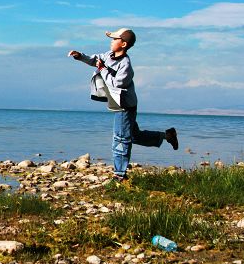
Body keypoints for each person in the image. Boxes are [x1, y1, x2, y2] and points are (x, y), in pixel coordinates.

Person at [68, 28, 178, 181]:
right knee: (134, 135)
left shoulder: (125, 65)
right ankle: (167, 135)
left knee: (120, 138)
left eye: (114, 39)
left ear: (123, 44)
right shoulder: (109, 55)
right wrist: (80, 56)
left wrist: (102, 69)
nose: (111, 42)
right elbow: (95, 60)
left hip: (125, 105)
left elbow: (116, 83)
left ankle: (120, 174)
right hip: (117, 102)